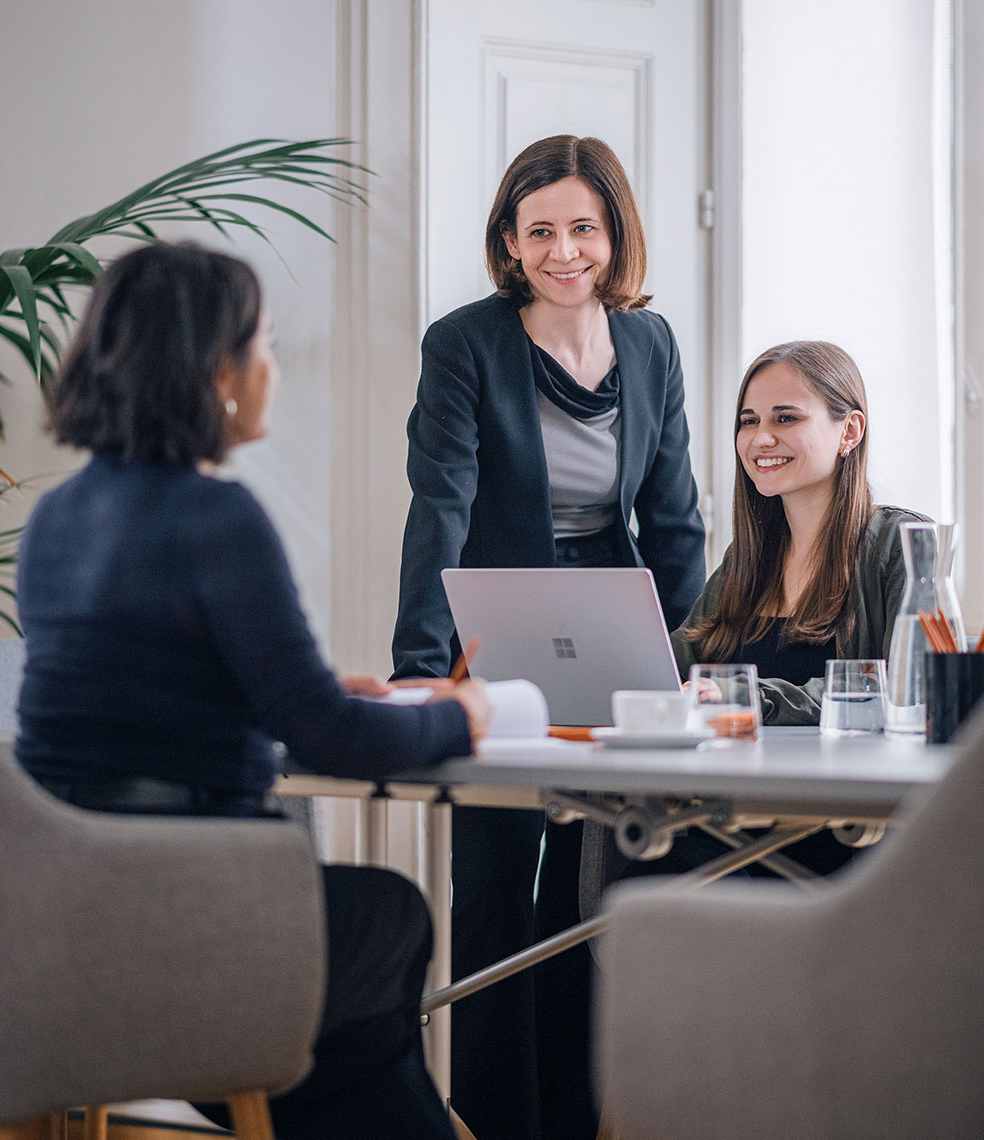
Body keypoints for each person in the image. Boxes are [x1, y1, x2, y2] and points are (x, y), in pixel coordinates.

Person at [14, 241, 491, 1140]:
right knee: (391, 917)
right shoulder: (216, 516)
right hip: (198, 912)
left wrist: (278, 693)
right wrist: (457, 714)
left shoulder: (59, 515)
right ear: (218, 371)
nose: (274, 371)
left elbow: (138, 707)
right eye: (266, 346)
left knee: (350, 1036)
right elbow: (336, 740)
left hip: (70, 916)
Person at [391, 135, 706, 1140]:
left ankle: (568, 1120)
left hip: (614, 632)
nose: (564, 249)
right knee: (490, 885)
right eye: (541, 231)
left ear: (615, 235)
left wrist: (687, 660)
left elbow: (676, 518)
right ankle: (490, 1119)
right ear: (510, 242)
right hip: (496, 621)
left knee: (586, 886)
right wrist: (416, 666)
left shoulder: (651, 347)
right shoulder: (466, 343)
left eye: (583, 227)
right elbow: (439, 504)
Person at [581, 339, 930, 911]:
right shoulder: (749, 558)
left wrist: (746, 700)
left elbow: (903, 692)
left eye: (785, 418)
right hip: (719, 821)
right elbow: (670, 666)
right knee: (626, 863)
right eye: (749, 421)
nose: (760, 438)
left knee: (657, 883)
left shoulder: (900, 546)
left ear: (850, 432)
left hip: (835, 839)